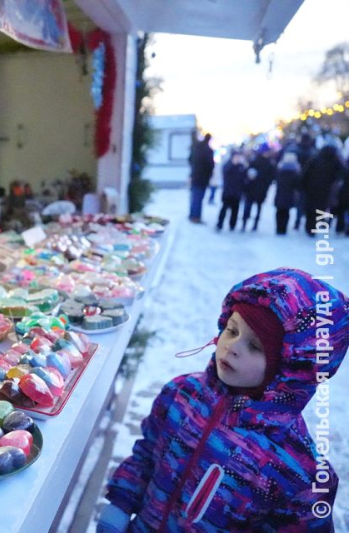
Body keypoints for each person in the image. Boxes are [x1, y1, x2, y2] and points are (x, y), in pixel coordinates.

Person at [97, 268, 348, 532]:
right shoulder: (182, 394)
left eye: (255, 346)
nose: (232, 347)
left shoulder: (297, 473)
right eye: (232, 330)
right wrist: (120, 504)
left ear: (288, 371)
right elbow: (147, 454)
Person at [301, 144, 346, 236]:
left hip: (311, 189)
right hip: (325, 190)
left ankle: (310, 228)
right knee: (320, 209)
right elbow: (342, 172)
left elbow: (305, 174)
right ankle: (314, 227)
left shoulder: (314, 159)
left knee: (311, 209)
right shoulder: (334, 162)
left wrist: (303, 186)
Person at [242, 144, 275, 231]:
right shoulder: (259, 161)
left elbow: (271, 176)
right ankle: (246, 223)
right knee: (252, 206)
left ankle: (251, 224)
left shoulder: (265, 162)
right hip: (255, 188)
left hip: (258, 188)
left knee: (256, 207)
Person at [188, 133, 215, 223]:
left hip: (194, 176)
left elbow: (189, 160)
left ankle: (192, 215)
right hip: (202, 179)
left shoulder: (196, 148)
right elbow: (211, 165)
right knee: (198, 198)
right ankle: (196, 217)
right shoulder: (208, 150)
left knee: (194, 197)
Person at [216, 151, 246, 231]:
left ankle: (232, 225)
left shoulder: (241, 167)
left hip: (237, 192)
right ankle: (220, 224)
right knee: (224, 209)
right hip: (228, 192)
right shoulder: (228, 165)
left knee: (235, 210)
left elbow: (244, 178)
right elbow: (225, 174)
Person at [273, 151, 301, 235]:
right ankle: (283, 228)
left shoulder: (280, 170)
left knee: (279, 212)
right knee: (286, 213)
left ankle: (279, 228)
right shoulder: (295, 172)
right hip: (289, 195)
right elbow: (297, 185)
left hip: (280, 194)